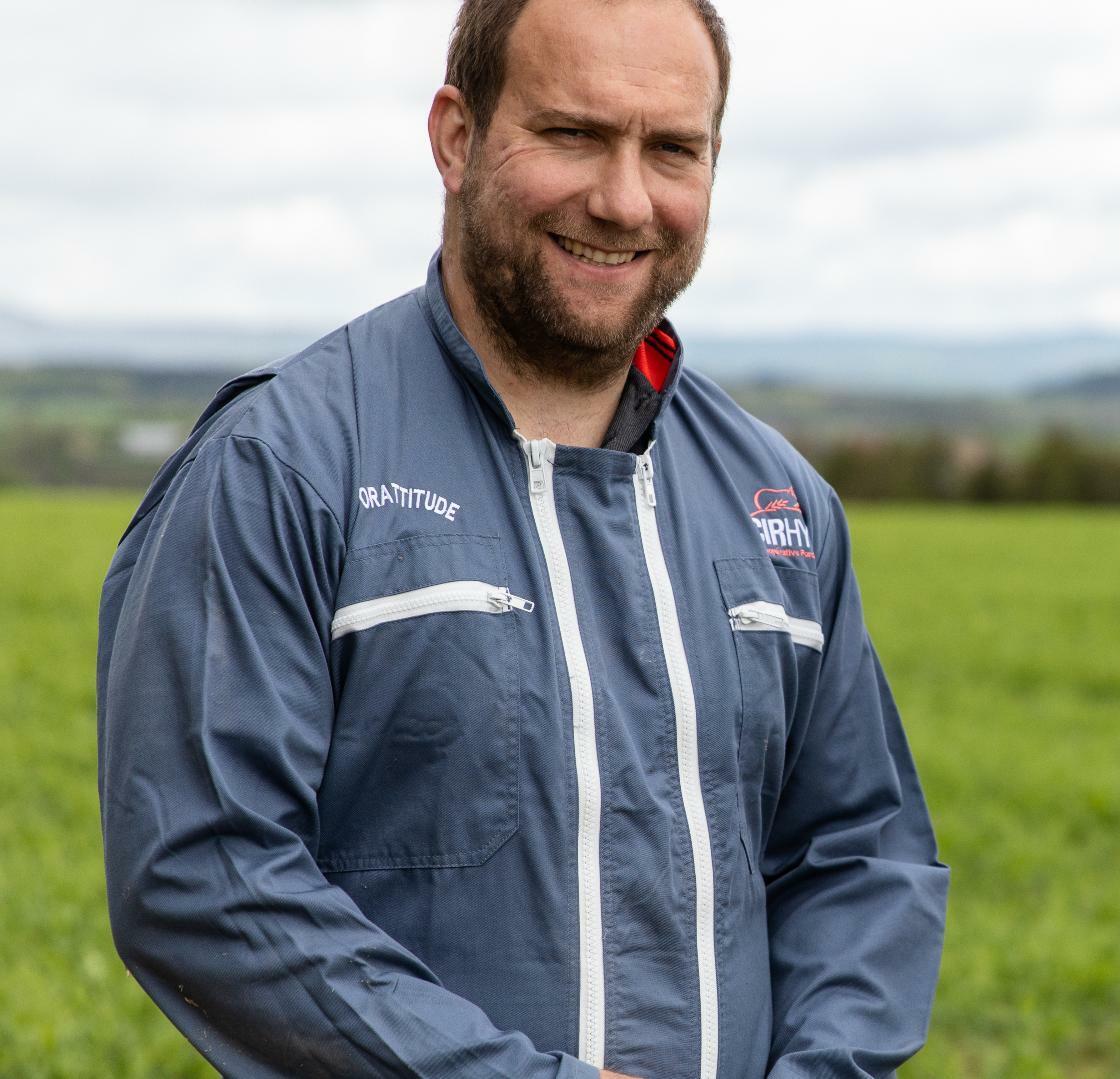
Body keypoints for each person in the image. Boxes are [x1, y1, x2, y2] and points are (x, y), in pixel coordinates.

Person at [96, 0, 947, 1075]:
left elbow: (860, 857)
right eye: (575, 133)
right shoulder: (283, 466)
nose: (625, 197)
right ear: (457, 136)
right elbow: (202, 872)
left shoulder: (781, 502)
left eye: (672, 149)